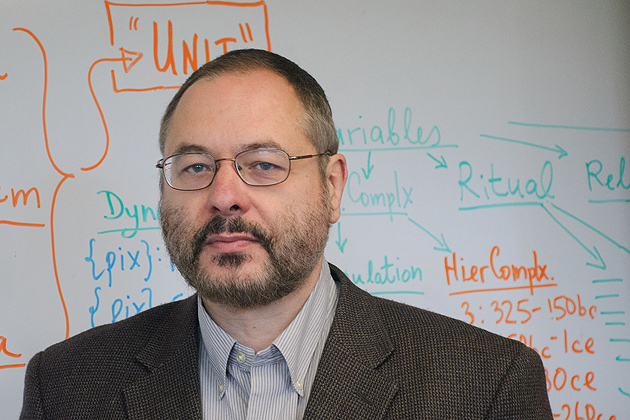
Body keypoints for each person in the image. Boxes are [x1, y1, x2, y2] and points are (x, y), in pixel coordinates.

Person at [20, 49, 553, 419]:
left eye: (264, 164)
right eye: (194, 166)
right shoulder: (65, 385)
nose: (224, 194)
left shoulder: (486, 384)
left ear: (332, 185)